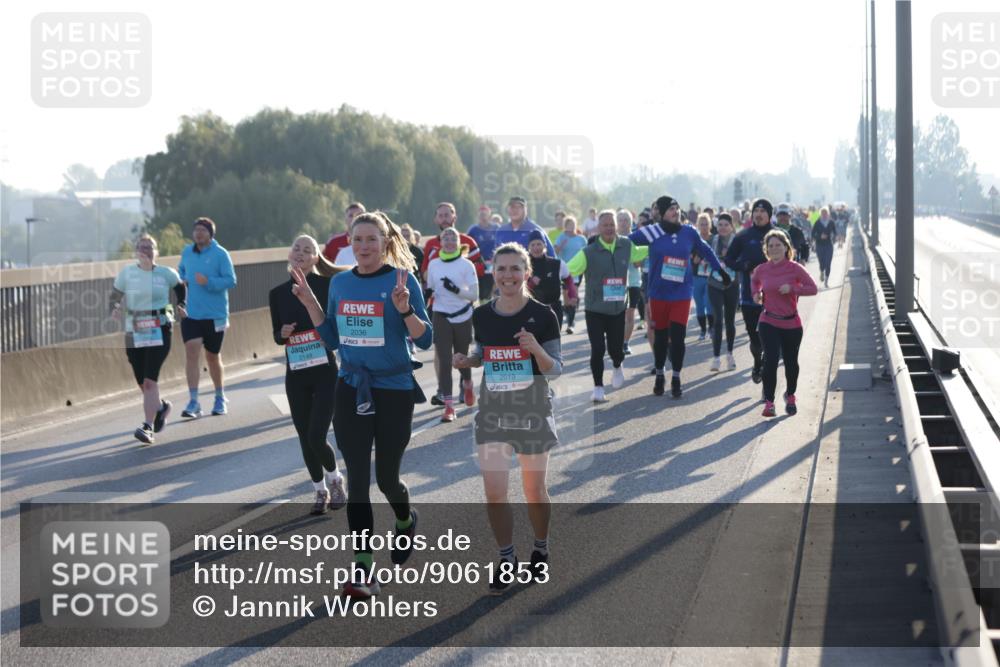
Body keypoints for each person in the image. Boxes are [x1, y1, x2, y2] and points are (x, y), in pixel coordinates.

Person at [292, 211, 432, 599]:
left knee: (387, 480)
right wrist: (310, 303)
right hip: (351, 387)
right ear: (349, 243)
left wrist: (405, 310)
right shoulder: (340, 283)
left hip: (394, 390)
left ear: (386, 242)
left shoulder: (401, 280)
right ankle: (363, 568)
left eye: (372, 239)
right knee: (357, 481)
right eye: (358, 240)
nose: (364, 246)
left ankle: (404, 519)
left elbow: (424, 340)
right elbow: (333, 340)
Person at [452, 242, 562, 595]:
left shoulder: (544, 315)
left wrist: (536, 349)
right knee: (495, 493)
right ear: (493, 273)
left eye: (515, 268)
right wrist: (468, 361)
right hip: (494, 412)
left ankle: (540, 548)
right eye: (501, 268)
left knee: (533, 490)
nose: (508, 275)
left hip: (532, 410)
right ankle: (506, 557)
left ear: (527, 273)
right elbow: (482, 353)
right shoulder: (482, 315)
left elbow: (555, 370)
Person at [268, 235, 347, 514]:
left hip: (325, 371)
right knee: (304, 437)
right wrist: (283, 333)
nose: (300, 253)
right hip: (296, 373)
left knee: (316, 435)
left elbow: (337, 325)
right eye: (296, 248)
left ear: (316, 257)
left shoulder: (327, 286)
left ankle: (335, 479)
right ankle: (319, 491)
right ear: (290, 255)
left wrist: (327, 333)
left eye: (307, 250)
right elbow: (277, 335)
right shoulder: (278, 294)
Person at [630, 196, 728, 398]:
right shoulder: (652, 231)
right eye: (670, 209)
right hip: (658, 293)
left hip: (681, 294)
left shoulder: (689, 232)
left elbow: (706, 250)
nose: (675, 211)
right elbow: (626, 242)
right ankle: (660, 374)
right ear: (661, 213)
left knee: (677, 337)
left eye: (676, 208)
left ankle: (676, 377)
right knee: (660, 338)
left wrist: (720, 270)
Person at [109, 234, 185, 445]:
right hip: (134, 331)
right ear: (136, 252)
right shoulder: (127, 274)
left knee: (150, 381)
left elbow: (181, 288)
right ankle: (160, 407)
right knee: (143, 382)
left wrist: (182, 305)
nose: (146, 251)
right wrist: (115, 308)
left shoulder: (166, 273)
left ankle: (148, 426)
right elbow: (115, 296)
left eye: (150, 247)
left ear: (156, 252)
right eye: (142, 247)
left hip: (160, 328)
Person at [569, 210, 648, 402]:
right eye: (605, 225)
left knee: (616, 350)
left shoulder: (626, 245)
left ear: (617, 226)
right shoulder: (589, 252)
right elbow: (569, 269)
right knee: (597, 348)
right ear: (598, 227)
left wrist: (665, 244)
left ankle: (617, 365)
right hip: (594, 309)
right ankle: (598, 388)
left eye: (612, 225)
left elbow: (642, 252)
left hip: (617, 309)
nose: (609, 228)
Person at [751, 229, 818, 417]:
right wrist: (756, 294)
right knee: (770, 359)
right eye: (770, 246)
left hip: (791, 323)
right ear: (766, 249)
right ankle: (769, 402)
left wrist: (793, 288)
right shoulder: (762, 269)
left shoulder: (795, 268)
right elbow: (754, 281)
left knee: (791, 363)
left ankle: (790, 395)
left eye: (778, 245)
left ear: (786, 247)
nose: (774, 248)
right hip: (768, 320)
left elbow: (813, 288)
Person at [178, 217, 237, 418]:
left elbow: (231, 280)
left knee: (212, 357)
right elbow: (181, 271)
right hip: (191, 314)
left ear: (210, 234)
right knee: (191, 351)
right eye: (196, 230)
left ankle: (220, 397)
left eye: (202, 230)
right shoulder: (187, 252)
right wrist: (182, 279)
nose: (198, 233)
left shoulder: (221, 254)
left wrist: (208, 282)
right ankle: (194, 401)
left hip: (215, 315)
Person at [426, 227, 479, 422]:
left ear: (459, 242)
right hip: (440, 314)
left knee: (461, 357)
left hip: (463, 315)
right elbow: (431, 288)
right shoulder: (433, 264)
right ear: (440, 242)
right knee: (444, 359)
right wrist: (428, 293)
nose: (449, 241)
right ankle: (449, 406)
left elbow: (474, 295)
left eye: (453, 238)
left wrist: (455, 289)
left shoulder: (466, 264)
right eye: (445, 238)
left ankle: (467, 383)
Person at [724, 198, 776, 385]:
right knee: (754, 337)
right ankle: (757, 362)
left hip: (774, 296)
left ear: (769, 214)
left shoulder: (778, 235)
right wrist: (743, 266)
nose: (759, 214)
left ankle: (767, 370)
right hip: (749, 295)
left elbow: (790, 260)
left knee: (770, 336)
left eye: (763, 211)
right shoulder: (743, 236)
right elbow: (729, 259)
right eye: (756, 211)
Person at [527, 231, 576, 336]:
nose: (536, 248)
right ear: (529, 247)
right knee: (536, 341)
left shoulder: (557, 264)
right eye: (533, 245)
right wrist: (531, 284)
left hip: (554, 309)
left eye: (539, 244)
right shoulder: (524, 266)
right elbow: (517, 288)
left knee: (554, 340)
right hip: (533, 310)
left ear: (545, 245)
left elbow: (568, 279)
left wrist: (572, 295)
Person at [707, 213, 739, 372]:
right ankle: (716, 358)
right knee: (717, 320)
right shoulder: (711, 241)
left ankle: (730, 354)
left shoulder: (737, 241)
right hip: (714, 283)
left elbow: (742, 261)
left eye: (726, 225)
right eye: (720, 225)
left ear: (732, 227)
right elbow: (701, 255)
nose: (723, 228)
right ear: (716, 226)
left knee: (730, 320)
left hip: (732, 284)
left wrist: (729, 258)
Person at [554, 216, 587, 334]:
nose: (571, 226)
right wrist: (561, 246)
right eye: (568, 224)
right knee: (567, 299)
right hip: (564, 271)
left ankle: (570, 324)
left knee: (573, 298)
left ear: (576, 225)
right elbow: (555, 252)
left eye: (573, 224)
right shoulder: (561, 237)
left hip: (577, 271)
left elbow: (587, 253)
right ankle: (568, 314)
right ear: (565, 226)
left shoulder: (581, 239)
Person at [617, 209, 643, 354]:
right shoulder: (612, 238)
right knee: (616, 315)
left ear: (630, 222)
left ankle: (625, 343)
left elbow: (638, 263)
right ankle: (616, 340)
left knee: (630, 313)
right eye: (620, 220)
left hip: (633, 281)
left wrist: (633, 256)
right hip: (614, 282)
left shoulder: (636, 238)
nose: (623, 223)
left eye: (626, 220)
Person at [466, 205, 500, 302]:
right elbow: (468, 246)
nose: (483, 217)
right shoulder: (473, 230)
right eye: (481, 215)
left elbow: (502, 243)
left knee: (495, 286)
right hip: (479, 263)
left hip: (494, 262)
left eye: (485, 214)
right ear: (478, 216)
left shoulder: (496, 228)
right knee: (482, 288)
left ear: (489, 215)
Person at [691, 213, 714, 341]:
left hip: (711, 276)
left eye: (706, 224)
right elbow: (689, 256)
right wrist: (693, 259)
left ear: (710, 225)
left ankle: (711, 328)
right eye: (701, 224)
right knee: (699, 304)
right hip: (696, 276)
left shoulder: (714, 239)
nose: (704, 227)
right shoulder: (694, 240)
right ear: (698, 226)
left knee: (708, 303)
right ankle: (703, 330)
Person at [812, 206, 837, 287]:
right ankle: (822, 271)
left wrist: (834, 239)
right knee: (821, 262)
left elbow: (835, 232)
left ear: (828, 214)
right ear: (820, 214)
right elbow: (813, 234)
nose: (824, 215)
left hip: (829, 245)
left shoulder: (831, 222)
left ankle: (826, 280)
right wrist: (820, 237)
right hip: (819, 245)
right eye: (823, 213)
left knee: (828, 263)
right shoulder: (817, 222)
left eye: (825, 213)